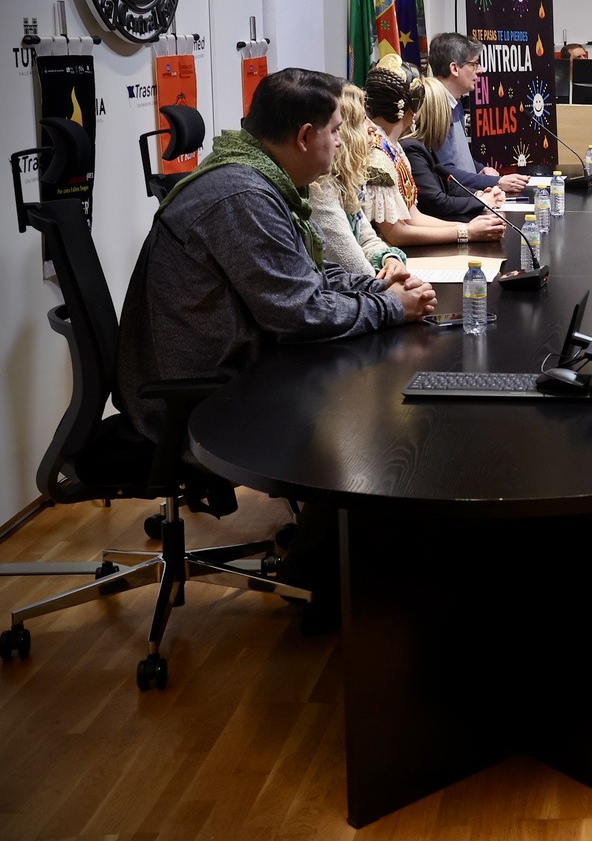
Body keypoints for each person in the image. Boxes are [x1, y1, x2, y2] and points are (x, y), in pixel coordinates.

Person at [117, 69, 439, 622]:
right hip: (195, 400)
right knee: (365, 416)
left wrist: (377, 289)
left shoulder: (257, 179)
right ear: (306, 136)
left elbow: (301, 277)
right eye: (335, 131)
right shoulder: (242, 197)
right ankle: (320, 579)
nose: (342, 142)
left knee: (359, 384)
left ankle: (328, 556)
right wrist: (392, 308)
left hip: (226, 369)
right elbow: (299, 311)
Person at [361, 63, 506, 248]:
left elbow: (413, 218)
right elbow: (396, 234)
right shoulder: (378, 155)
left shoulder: (393, 147)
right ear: (414, 103)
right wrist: (466, 232)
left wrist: (470, 227)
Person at [309, 83, 408, 277]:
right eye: (363, 119)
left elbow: (368, 240)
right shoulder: (321, 189)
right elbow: (356, 269)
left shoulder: (344, 180)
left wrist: (389, 259)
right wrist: (393, 283)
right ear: (345, 130)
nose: (373, 127)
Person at [427, 32, 530, 196]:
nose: (480, 70)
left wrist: (480, 169)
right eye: (474, 64)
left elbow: (459, 157)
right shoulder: (435, 109)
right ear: (454, 68)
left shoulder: (456, 102)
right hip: (454, 202)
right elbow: (446, 171)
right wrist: (497, 182)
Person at [402, 74, 504, 221]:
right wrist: (483, 202)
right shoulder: (412, 149)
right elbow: (438, 201)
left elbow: (449, 186)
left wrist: (479, 194)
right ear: (437, 116)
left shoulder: (427, 146)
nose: (450, 124)